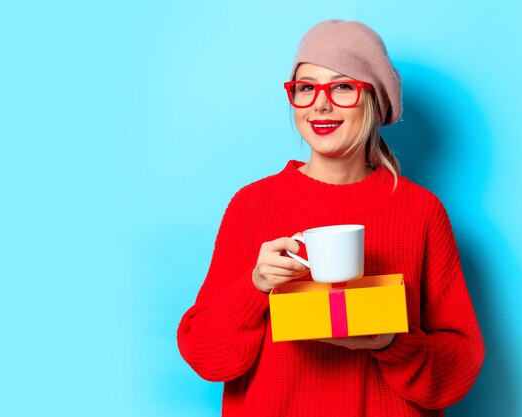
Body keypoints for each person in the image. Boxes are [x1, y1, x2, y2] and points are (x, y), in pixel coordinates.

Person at [177, 19, 485, 416]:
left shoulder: (421, 212)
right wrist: (254, 289)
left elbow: (459, 363)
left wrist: (392, 344)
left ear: (374, 99)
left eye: (342, 86)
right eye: (306, 88)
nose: (320, 103)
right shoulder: (252, 206)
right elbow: (205, 356)